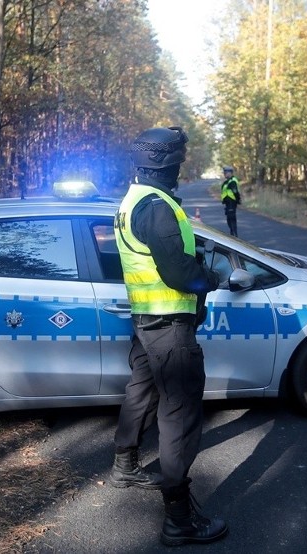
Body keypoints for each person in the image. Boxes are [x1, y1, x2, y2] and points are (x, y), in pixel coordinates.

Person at [111, 126, 227, 546]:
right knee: (178, 417)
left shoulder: (131, 199)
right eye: (179, 158)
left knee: (140, 393)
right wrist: (212, 278)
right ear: (170, 162)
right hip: (169, 328)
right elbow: (178, 273)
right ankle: (179, 520)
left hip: (145, 321)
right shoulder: (157, 207)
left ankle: (124, 466)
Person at [219, 166, 241, 236]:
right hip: (227, 203)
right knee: (229, 219)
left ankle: (234, 234)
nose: (225, 174)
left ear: (230, 173)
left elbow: (235, 192)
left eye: (226, 173)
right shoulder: (227, 182)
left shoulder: (233, 181)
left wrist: (238, 200)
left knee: (231, 219)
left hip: (231, 202)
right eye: (224, 173)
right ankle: (232, 233)